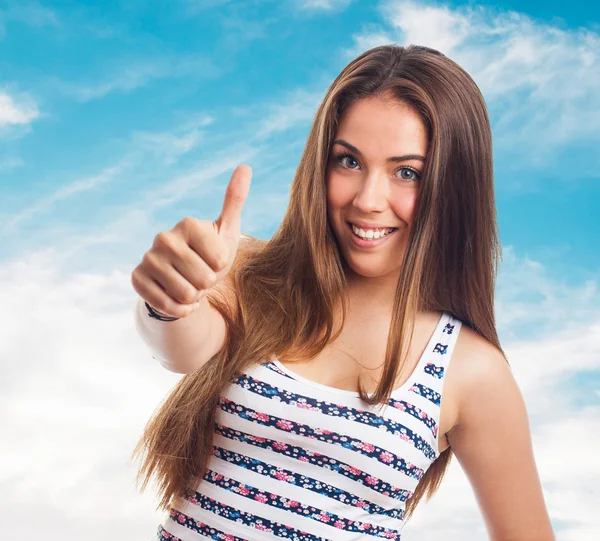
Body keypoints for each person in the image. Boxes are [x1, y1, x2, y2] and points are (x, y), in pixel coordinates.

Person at [131, 44, 555, 541]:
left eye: (407, 172)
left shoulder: (472, 370)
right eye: (348, 161)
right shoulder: (245, 270)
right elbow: (180, 348)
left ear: (454, 187)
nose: (367, 200)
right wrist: (169, 300)